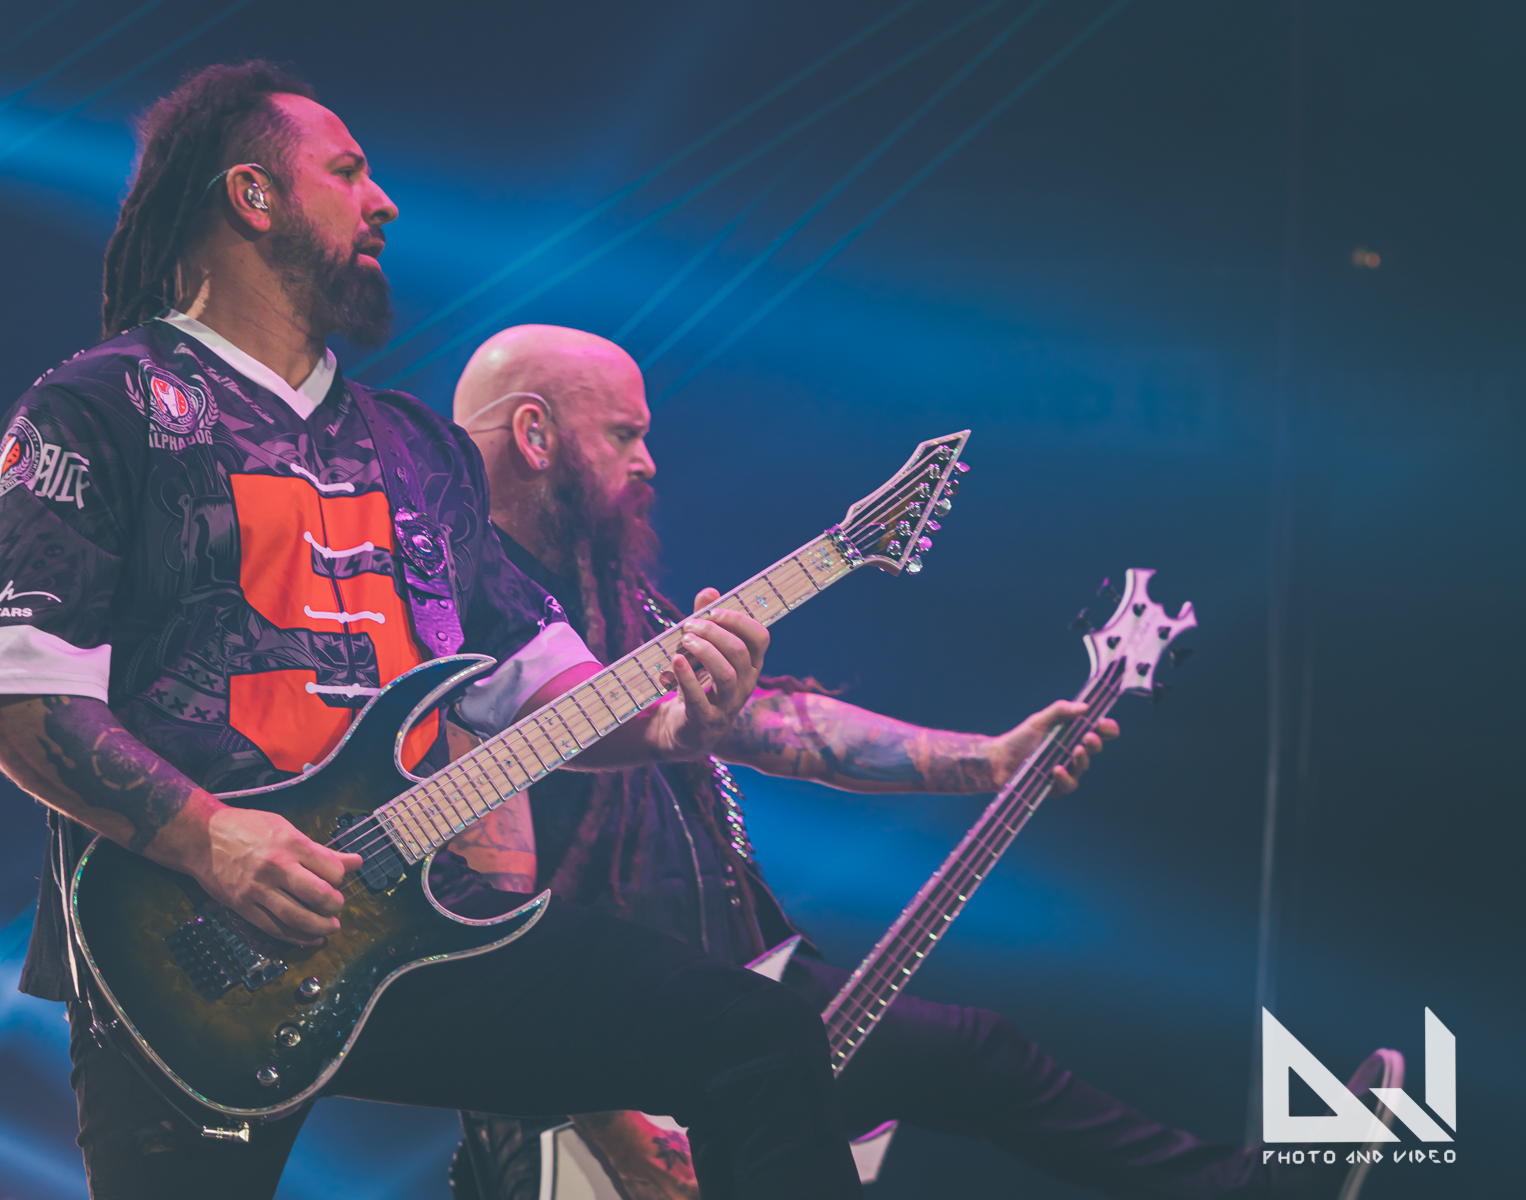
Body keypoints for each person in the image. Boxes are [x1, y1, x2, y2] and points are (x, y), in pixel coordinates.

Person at [0, 63, 866, 1200]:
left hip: (416, 924)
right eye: (348, 173)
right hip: (186, 956)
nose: (383, 203)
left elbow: (541, 693)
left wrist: (677, 724)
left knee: (754, 1035)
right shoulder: (98, 405)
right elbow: (11, 690)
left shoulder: (417, 450)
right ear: (253, 196)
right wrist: (209, 838)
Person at [444, 325, 1395, 1200]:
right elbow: (478, 910)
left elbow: (767, 725)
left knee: (976, 1056)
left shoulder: (610, 600)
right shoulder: (457, 610)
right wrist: (610, 1118)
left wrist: (986, 760)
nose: (649, 460)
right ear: (536, 434)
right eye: (625, 434)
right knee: (976, 1057)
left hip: (724, 994)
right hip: (591, 1053)